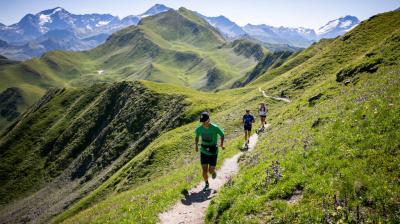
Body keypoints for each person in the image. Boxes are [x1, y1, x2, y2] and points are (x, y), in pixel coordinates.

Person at [195, 112, 225, 191]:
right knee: (204, 170)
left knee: (210, 170)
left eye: (205, 121)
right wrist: (196, 146)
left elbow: (222, 135)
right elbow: (197, 137)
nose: (203, 123)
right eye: (202, 121)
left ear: (209, 120)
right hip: (203, 151)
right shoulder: (199, 129)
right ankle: (207, 184)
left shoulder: (215, 128)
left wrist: (221, 144)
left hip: (213, 152)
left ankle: (213, 172)